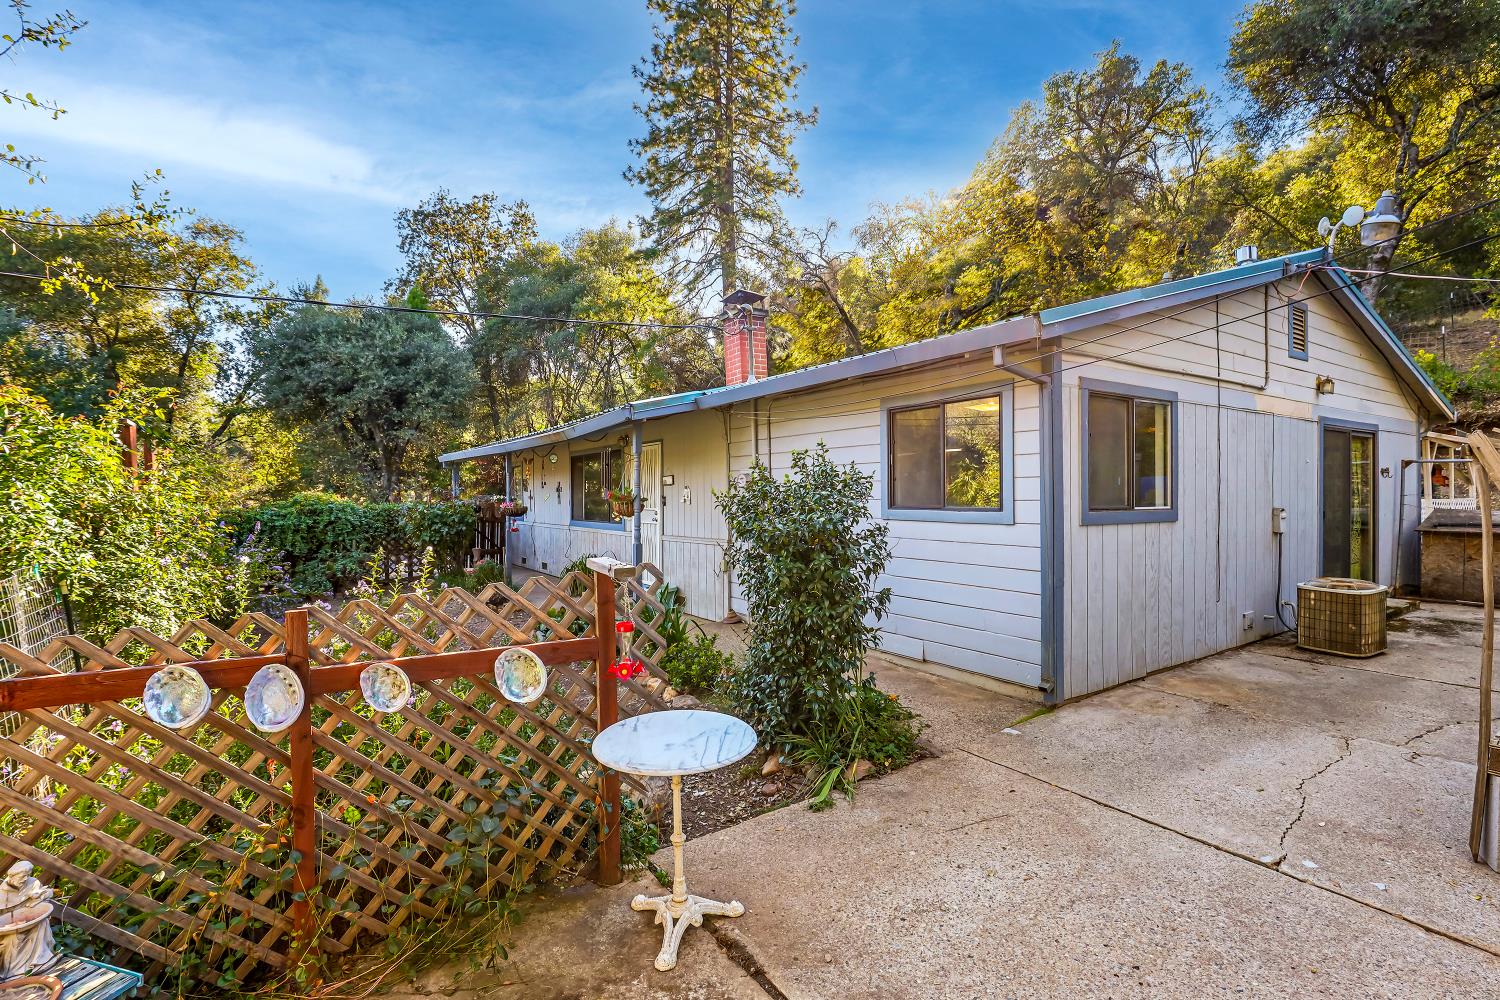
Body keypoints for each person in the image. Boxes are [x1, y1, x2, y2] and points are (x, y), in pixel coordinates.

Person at [0, 861, 55, 979]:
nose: (25, 879)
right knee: (12, 939)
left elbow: (48, 893)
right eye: (22, 876)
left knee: (43, 924)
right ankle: (15, 971)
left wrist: (40, 896)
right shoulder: (2, 893)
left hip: (29, 920)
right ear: (12, 876)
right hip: (9, 928)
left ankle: (39, 961)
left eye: (28, 875)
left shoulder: (32, 883)